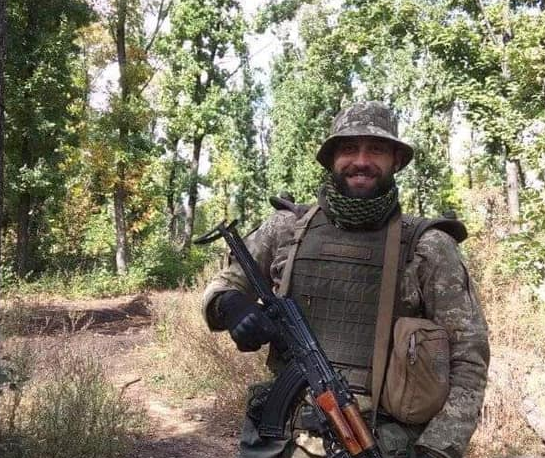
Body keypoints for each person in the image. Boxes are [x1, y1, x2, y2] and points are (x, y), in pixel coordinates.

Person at [202, 101, 490, 458]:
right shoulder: (286, 228)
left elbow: (469, 358)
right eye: (349, 148)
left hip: (376, 442)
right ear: (332, 159)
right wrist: (232, 307)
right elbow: (222, 288)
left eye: (377, 149)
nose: (361, 161)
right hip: (283, 439)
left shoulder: (429, 246)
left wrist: (437, 449)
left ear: (396, 160)